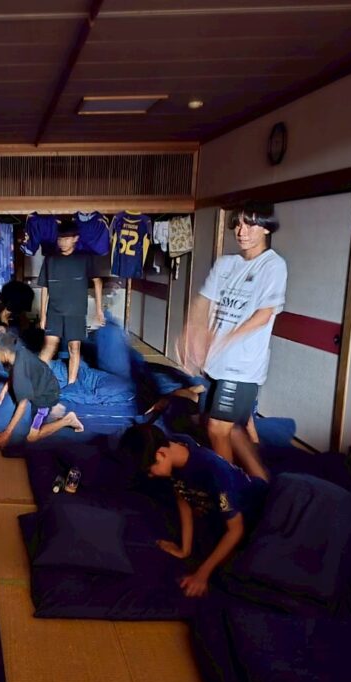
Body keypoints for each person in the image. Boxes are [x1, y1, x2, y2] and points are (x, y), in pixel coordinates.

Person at [182, 201, 287, 465]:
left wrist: (227, 339)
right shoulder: (226, 263)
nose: (241, 231)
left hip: (241, 367)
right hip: (214, 362)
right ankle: (257, 476)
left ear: (266, 228)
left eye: (250, 224)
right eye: (238, 224)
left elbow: (264, 314)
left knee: (218, 429)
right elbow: (203, 300)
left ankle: (228, 485)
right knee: (215, 424)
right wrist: (192, 332)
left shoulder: (273, 266)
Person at [119, 423, 267, 598]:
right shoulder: (175, 446)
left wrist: (202, 574)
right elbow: (183, 497)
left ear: (161, 454)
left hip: (259, 506)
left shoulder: (215, 473)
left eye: (150, 471)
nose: (150, 476)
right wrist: (185, 550)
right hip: (222, 497)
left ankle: (241, 442)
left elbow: (236, 530)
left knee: (263, 485)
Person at [0, 331, 84, 448]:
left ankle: (68, 420)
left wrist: (7, 433)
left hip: (46, 396)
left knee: (32, 437)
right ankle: (55, 410)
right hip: (46, 381)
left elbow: (22, 404)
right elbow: (14, 370)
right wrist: (4, 389)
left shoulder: (20, 372)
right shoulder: (18, 351)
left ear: (4, 352)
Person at [38, 220, 104, 384]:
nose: (62, 242)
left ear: (75, 238)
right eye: (60, 239)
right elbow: (45, 287)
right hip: (54, 310)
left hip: (76, 311)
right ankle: (34, 380)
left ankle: (71, 384)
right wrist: (43, 315)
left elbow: (97, 282)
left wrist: (99, 310)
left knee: (74, 347)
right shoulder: (50, 259)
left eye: (67, 239)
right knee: (49, 346)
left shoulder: (84, 258)